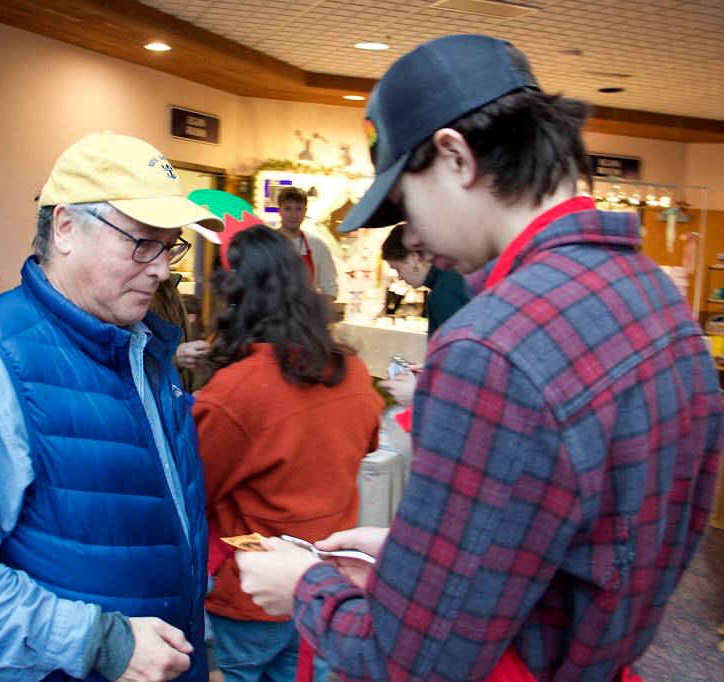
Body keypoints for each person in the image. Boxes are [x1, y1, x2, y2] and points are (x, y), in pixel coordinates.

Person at [234, 34, 723, 681]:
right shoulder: (658, 304)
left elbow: (412, 661)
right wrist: (423, 556)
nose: (414, 239)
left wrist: (305, 588)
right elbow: (591, 546)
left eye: (405, 206)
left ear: (456, 156)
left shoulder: (492, 346)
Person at [0, 132, 223, 681]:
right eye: (143, 243)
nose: (162, 269)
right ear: (65, 227)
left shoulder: (142, 347)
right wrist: (103, 643)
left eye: (170, 245)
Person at [195, 225, 382, 681]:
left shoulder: (235, 393)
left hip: (253, 590)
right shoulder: (352, 372)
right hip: (324, 585)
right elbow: (368, 443)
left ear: (235, 296)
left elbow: (195, 490)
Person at [379, 223, 470, 406]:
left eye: (397, 268)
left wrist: (421, 389)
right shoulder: (453, 276)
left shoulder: (441, 292)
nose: (399, 277)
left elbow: (457, 360)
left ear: (413, 257)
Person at [275, 187, 338, 300]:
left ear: (305, 211)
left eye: (298, 209)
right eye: (288, 208)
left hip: (305, 315)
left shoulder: (318, 246)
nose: (293, 215)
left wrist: (321, 312)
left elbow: (329, 286)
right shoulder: (266, 243)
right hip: (271, 315)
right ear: (279, 211)